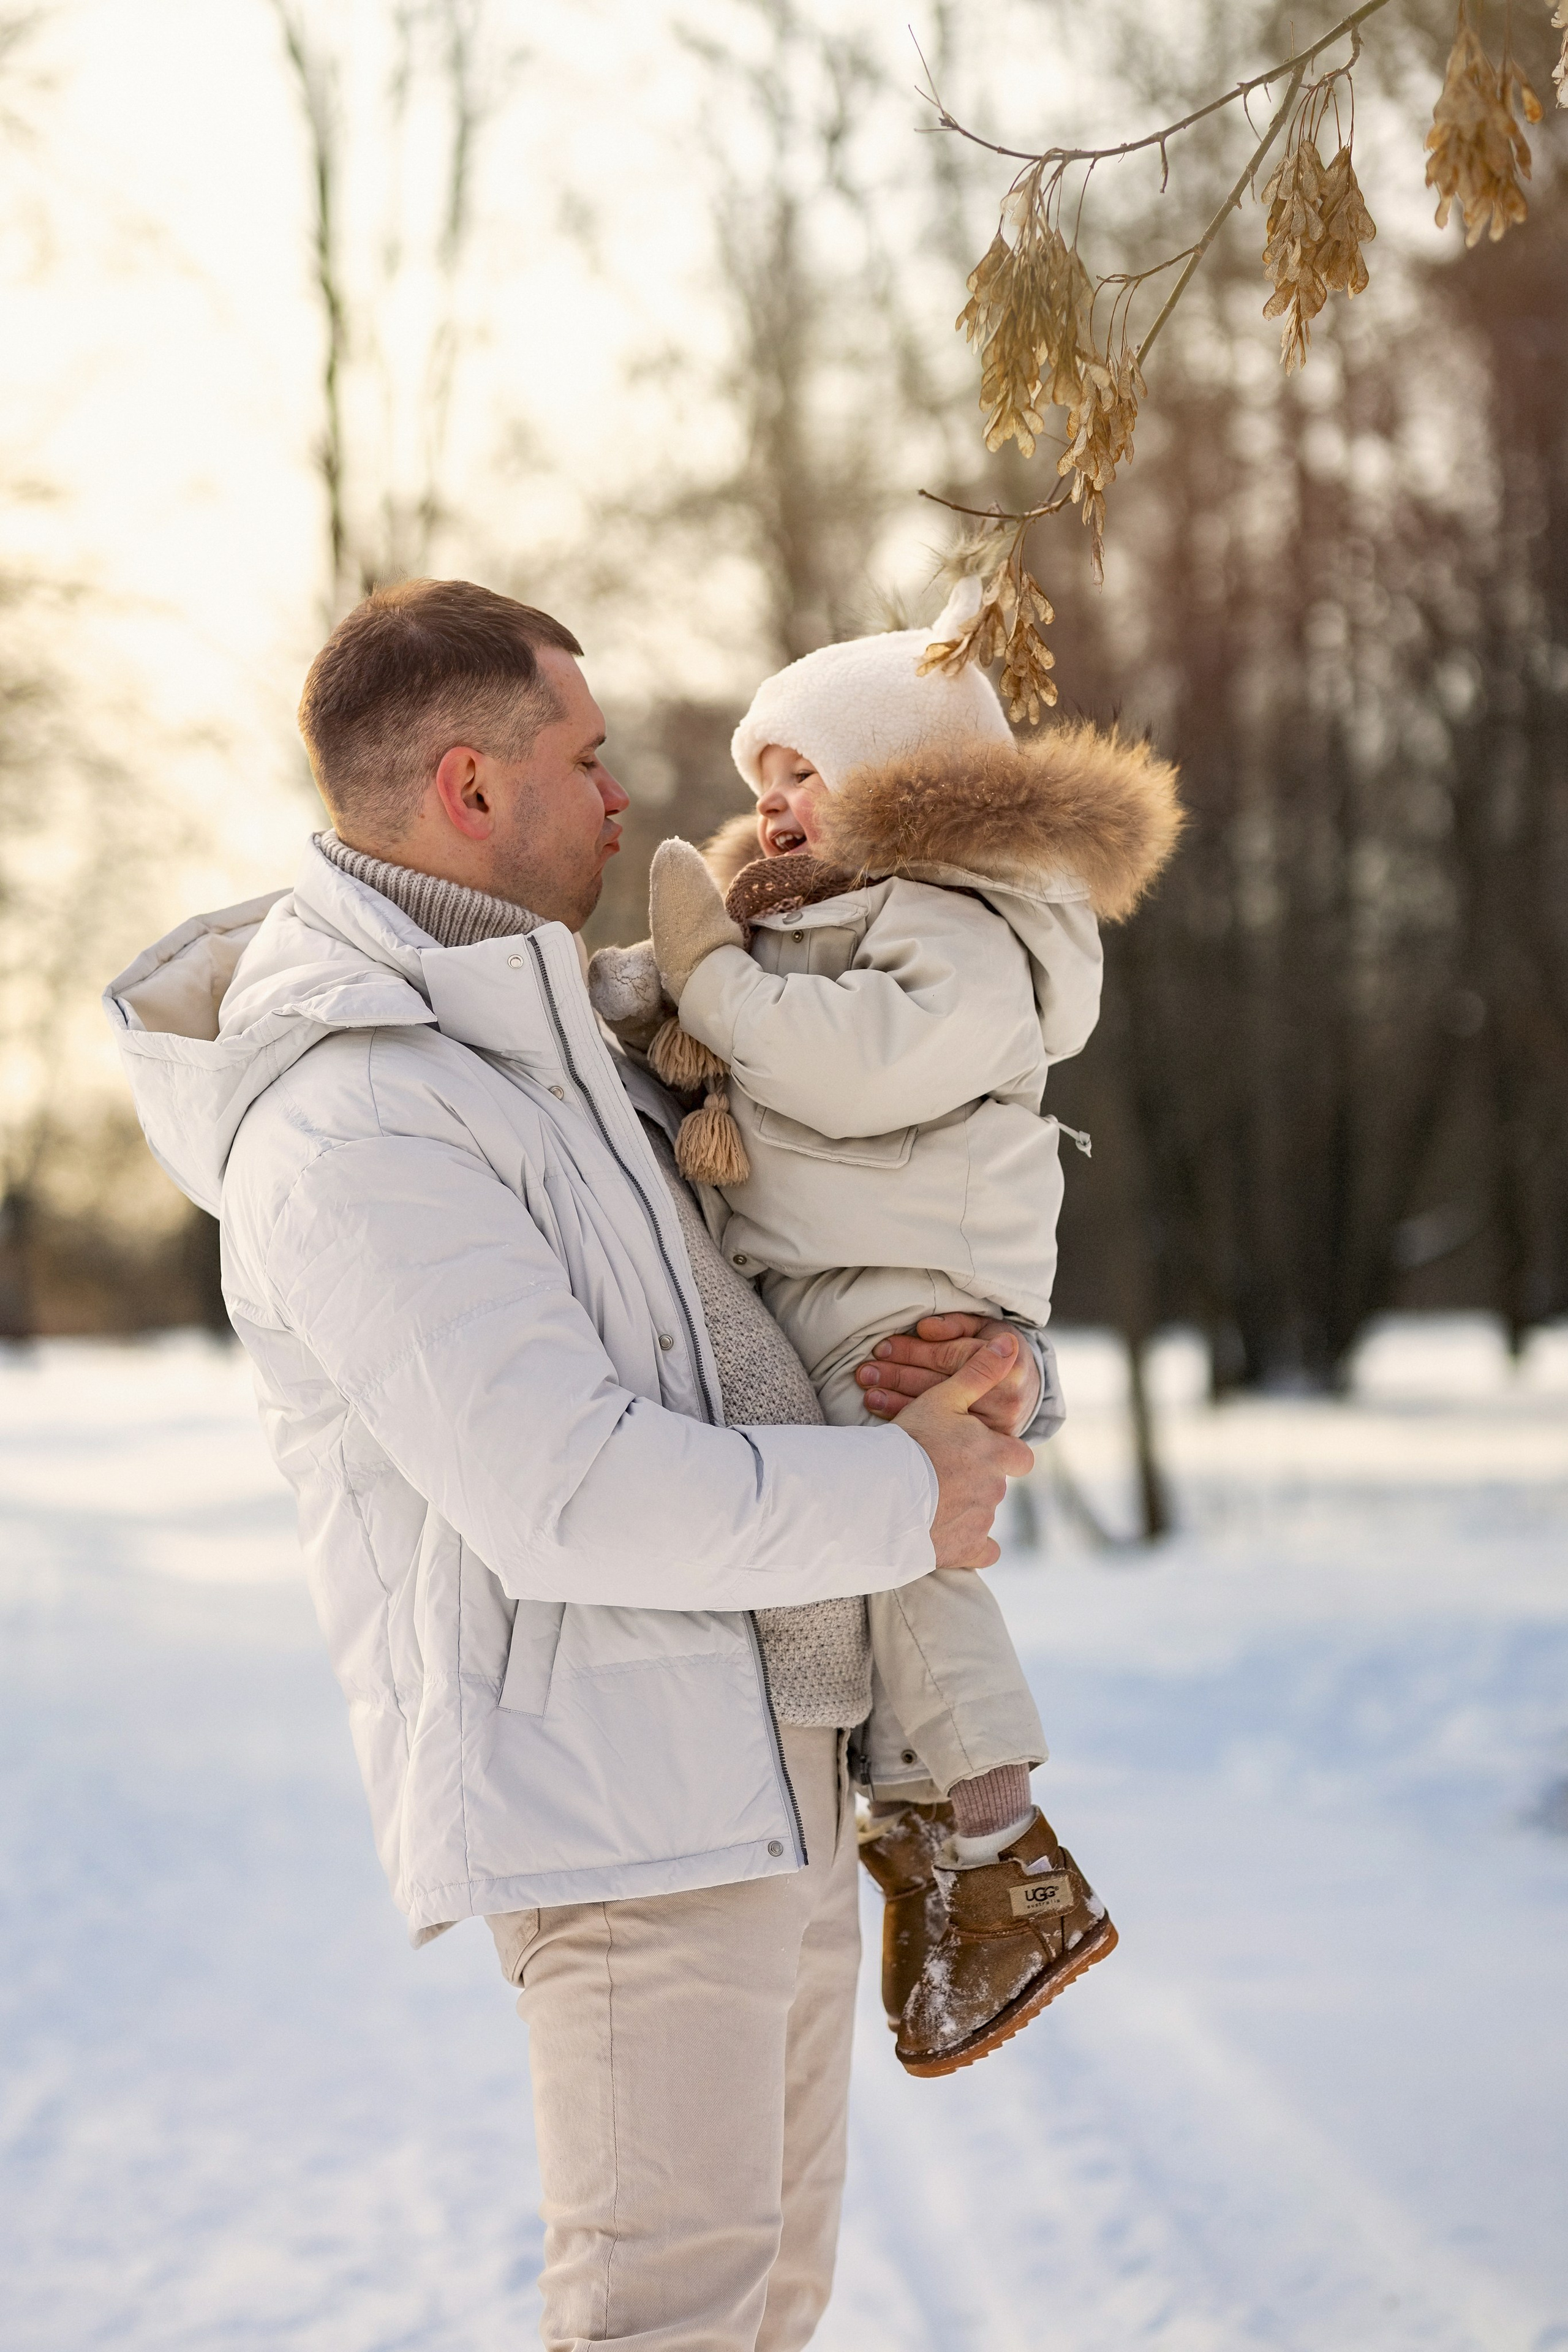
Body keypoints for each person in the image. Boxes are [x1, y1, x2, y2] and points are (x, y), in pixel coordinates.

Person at [103, 576, 1058, 2352]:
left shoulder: (556, 1048)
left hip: (767, 1767)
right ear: (471, 786)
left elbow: (799, 1292)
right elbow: (565, 1494)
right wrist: (901, 1495)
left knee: (764, 2308)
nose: (629, 795)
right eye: (589, 756)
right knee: (664, 2321)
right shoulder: (356, 1107)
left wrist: (974, 1371)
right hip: (623, 1816)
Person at [587, 579, 1182, 2075]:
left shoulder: (957, 924)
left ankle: (1000, 1841)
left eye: (808, 770)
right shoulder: (813, 922)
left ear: (904, 783)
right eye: (764, 777)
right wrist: (643, 994)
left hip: (912, 1286)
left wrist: (710, 978)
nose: (773, 802)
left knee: (900, 1532)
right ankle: (925, 1835)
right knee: (860, 1552)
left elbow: (851, 1069)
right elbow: (708, 1038)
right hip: (830, 1280)